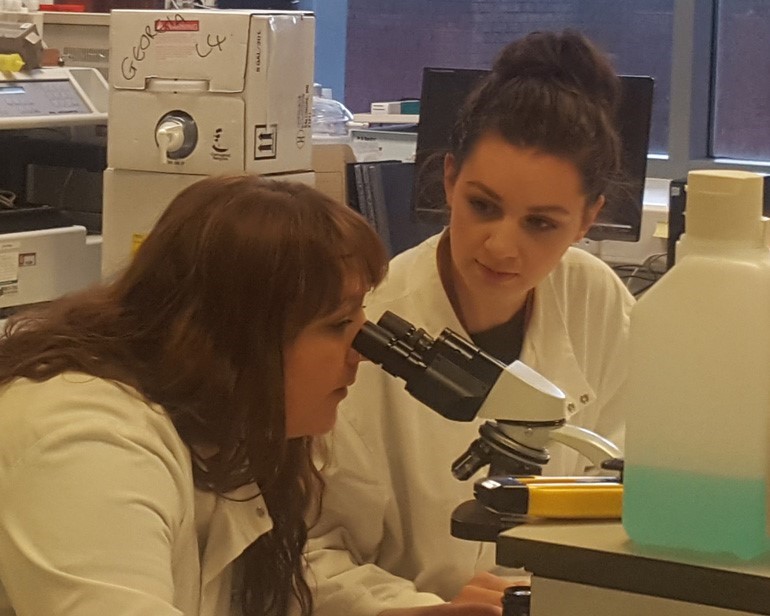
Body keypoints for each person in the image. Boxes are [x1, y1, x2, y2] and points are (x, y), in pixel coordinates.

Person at [303, 30, 636, 616]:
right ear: (450, 180)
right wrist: (423, 610)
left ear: (588, 219)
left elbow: (621, 493)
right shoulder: (370, 323)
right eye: (483, 206)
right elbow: (310, 553)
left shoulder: (597, 301)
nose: (502, 247)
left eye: (541, 224)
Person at [0, 174, 389, 616]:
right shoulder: (87, 442)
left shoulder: (225, 422)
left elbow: (283, 584)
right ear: (241, 336)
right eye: (338, 324)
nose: (362, 353)